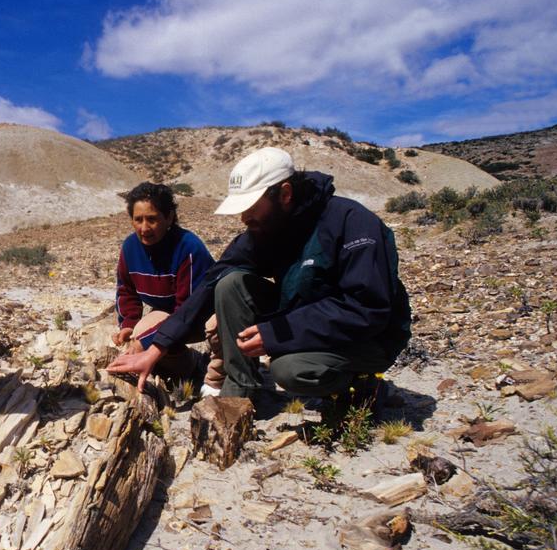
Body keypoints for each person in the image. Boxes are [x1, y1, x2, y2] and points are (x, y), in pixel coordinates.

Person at [107, 147, 411, 407]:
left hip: (371, 336)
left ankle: (364, 388)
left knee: (291, 370)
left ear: (285, 193)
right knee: (230, 284)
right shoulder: (265, 229)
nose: (244, 218)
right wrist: (156, 348)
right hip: (305, 316)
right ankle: (242, 390)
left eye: (251, 207)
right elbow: (209, 285)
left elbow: (368, 308)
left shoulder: (352, 222)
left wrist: (278, 332)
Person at [113, 182, 215, 382]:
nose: (144, 228)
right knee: (140, 334)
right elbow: (126, 291)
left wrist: (145, 341)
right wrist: (128, 324)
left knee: (144, 339)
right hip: (170, 314)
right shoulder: (130, 247)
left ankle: (214, 374)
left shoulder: (189, 248)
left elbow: (188, 311)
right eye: (138, 219)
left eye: (152, 219)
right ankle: (189, 366)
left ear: (169, 218)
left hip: (202, 316)